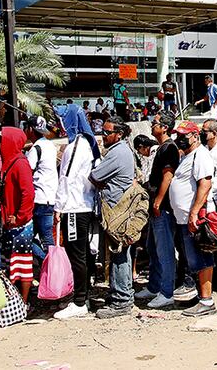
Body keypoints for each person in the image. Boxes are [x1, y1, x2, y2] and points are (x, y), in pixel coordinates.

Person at [168, 121, 217, 317]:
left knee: (201, 257)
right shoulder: (187, 156)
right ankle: (200, 297)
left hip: (195, 217)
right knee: (192, 259)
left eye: (184, 135)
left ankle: (207, 301)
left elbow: (205, 184)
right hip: (185, 217)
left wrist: (194, 213)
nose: (180, 139)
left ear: (195, 136)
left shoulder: (200, 155)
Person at [89, 117, 136, 319]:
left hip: (118, 210)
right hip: (119, 209)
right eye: (103, 132)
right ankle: (122, 295)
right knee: (120, 254)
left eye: (107, 133)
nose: (103, 136)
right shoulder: (120, 150)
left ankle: (121, 300)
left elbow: (95, 176)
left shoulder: (117, 152)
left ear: (119, 134)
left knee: (118, 254)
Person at [52, 120, 98, 320]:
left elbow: (66, 177)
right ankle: (83, 295)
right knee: (85, 254)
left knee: (76, 255)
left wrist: (58, 207)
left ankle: (79, 301)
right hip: (85, 205)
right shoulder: (90, 145)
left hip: (73, 207)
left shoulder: (75, 147)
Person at [135, 113, 180, 310]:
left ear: (164, 127)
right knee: (152, 248)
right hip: (156, 205)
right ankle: (154, 286)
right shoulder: (161, 148)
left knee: (165, 250)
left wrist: (158, 202)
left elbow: (168, 176)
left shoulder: (169, 148)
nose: (152, 125)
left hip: (163, 207)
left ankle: (166, 292)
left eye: (155, 123)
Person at [0, 127, 35, 302]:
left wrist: (20, 216)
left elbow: (28, 193)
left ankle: (24, 301)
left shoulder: (20, 163)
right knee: (11, 264)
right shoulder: (9, 162)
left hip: (20, 224)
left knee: (22, 264)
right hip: (10, 222)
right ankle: (14, 299)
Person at [23, 116, 58, 264]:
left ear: (30, 129)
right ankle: (51, 267)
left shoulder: (35, 149)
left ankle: (49, 265)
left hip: (39, 199)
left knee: (26, 238)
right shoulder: (49, 145)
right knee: (45, 237)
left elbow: (27, 172)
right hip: (50, 197)